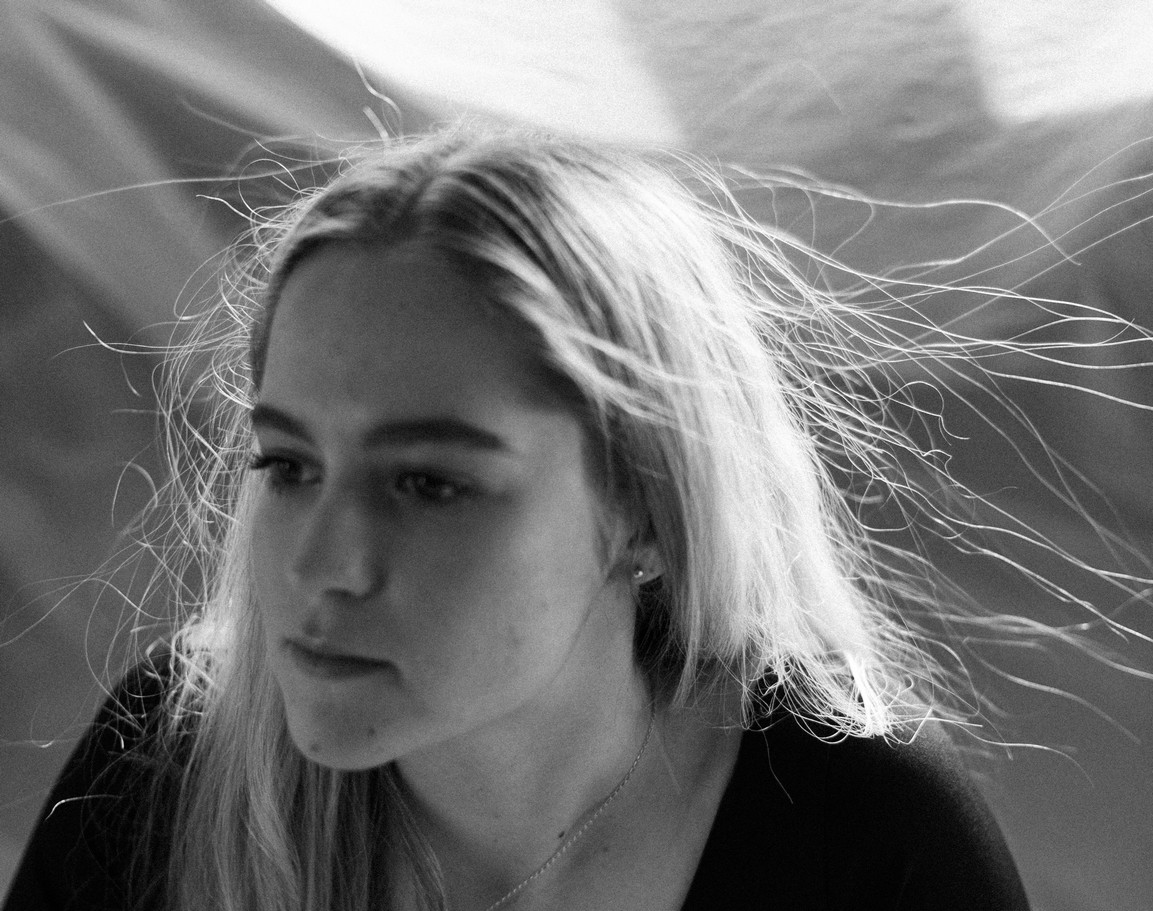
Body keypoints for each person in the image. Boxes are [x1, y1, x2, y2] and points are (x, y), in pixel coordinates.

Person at [4, 127, 1029, 910]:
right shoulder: (162, 775)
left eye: (429, 484)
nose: (322, 563)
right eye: (288, 463)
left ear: (647, 507)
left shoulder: (869, 844)